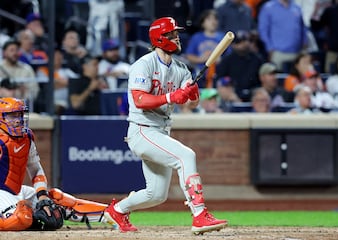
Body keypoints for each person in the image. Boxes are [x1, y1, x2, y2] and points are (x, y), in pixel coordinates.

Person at [103, 17, 228, 234]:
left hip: (160, 130)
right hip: (142, 130)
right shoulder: (144, 64)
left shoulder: (180, 68)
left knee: (156, 194)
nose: (176, 37)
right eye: (171, 34)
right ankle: (199, 214)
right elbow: (141, 100)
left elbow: (191, 101)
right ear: (159, 38)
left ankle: (118, 210)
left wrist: (193, 93)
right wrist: (173, 96)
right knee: (186, 156)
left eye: (176, 33)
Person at [0, 97, 63, 231]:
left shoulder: (27, 137)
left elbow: (35, 169)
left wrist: (42, 195)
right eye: (12, 116)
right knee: (21, 219)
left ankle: (108, 213)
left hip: (18, 191)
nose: (18, 120)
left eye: (20, 115)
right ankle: (32, 217)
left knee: (56, 202)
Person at [257, 0, 308, 71]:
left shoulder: (296, 7)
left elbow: (302, 28)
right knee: (279, 78)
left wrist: (304, 43)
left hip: (297, 53)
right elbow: (263, 30)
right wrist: (270, 49)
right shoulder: (268, 8)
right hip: (278, 53)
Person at [215, 30, 264, 101]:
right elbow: (220, 80)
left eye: (246, 41)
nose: (244, 44)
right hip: (233, 93)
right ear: (233, 45)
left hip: (254, 93)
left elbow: (261, 79)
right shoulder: (227, 60)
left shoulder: (257, 59)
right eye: (240, 42)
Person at [185, 9, 228, 88]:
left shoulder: (222, 37)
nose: (213, 22)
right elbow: (189, 56)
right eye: (209, 19)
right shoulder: (196, 37)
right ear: (202, 22)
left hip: (218, 72)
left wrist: (220, 59)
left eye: (215, 19)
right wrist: (202, 59)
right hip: (200, 73)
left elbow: (228, 55)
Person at [0, 39, 39, 106]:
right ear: (4, 53)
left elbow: (35, 91)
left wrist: (23, 93)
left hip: (21, 106)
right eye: (12, 50)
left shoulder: (27, 69)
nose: (15, 53)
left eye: (17, 50)